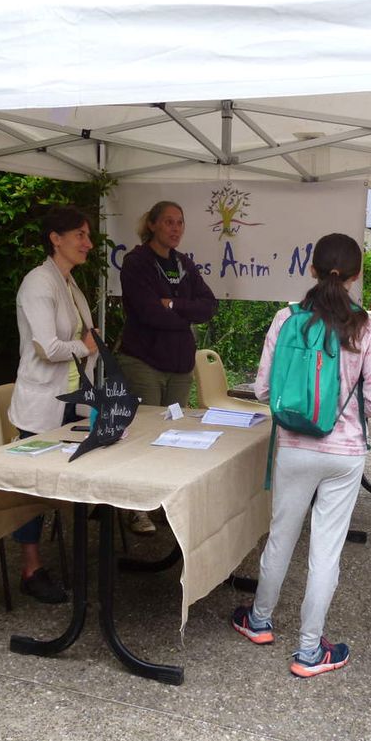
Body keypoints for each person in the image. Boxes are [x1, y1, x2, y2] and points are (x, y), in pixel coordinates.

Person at [230, 233, 371, 677]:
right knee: (326, 551)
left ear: (312, 269)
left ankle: (259, 620)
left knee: (281, 535)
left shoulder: (286, 320)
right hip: (345, 453)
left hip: (293, 447)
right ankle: (308, 651)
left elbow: (263, 389)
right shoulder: (369, 324)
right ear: (356, 275)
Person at [7, 205, 99, 604]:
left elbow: (87, 338)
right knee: (33, 489)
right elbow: (46, 347)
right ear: (55, 238)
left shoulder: (70, 283)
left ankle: (73, 559)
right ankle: (31, 568)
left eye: (88, 235)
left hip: (74, 400)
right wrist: (86, 345)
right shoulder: (37, 283)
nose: (88, 243)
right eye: (80, 234)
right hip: (43, 401)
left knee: (77, 477)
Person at [118, 200, 219, 535]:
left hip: (178, 366)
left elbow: (210, 306)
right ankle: (136, 509)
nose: (175, 229)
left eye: (180, 223)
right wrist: (184, 316)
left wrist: (174, 304)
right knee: (144, 435)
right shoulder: (137, 262)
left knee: (172, 435)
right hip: (144, 361)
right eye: (168, 222)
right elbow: (147, 313)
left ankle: (160, 501)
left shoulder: (184, 264)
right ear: (152, 225)